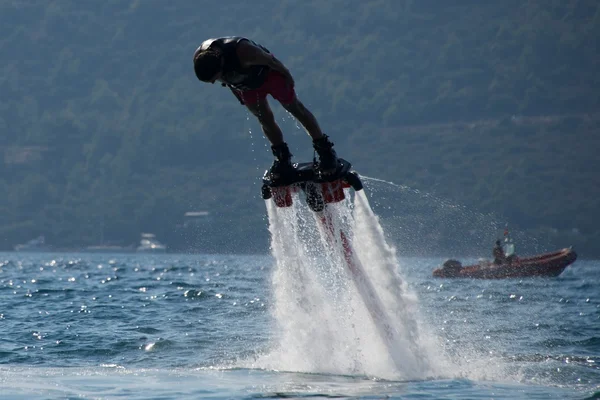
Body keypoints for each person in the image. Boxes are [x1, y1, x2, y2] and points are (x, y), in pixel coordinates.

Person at [193, 36, 340, 180]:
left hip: (270, 75)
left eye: (214, 79)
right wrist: (237, 93)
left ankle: (325, 151)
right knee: (264, 119)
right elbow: (226, 81)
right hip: (245, 86)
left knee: (295, 109)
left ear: (221, 63)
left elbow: (271, 61)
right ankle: (282, 158)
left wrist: (287, 76)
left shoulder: (243, 51)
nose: (214, 83)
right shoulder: (201, 57)